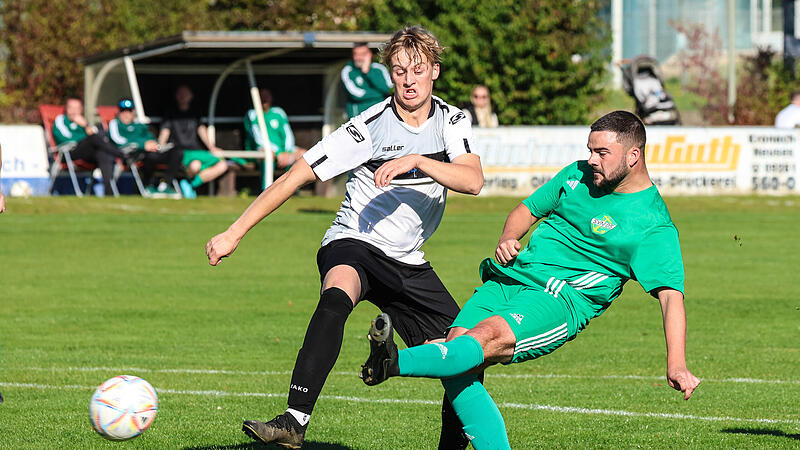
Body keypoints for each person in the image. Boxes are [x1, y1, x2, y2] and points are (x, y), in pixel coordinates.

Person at [206, 26, 484, 449]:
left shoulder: (453, 120)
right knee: (336, 296)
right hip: (354, 240)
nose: (408, 80)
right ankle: (293, 421)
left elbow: (473, 180)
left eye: (418, 70)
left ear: (435, 72)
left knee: (465, 352)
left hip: (408, 260)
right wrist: (234, 231)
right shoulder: (368, 126)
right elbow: (296, 175)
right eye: (398, 71)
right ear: (389, 75)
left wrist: (416, 160)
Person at [360, 110, 701, 449]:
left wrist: (677, 363)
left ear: (633, 155)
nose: (591, 160)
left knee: (482, 339)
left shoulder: (652, 224)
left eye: (601, 153)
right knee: (457, 357)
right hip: (508, 279)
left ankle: (392, 361)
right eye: (589, 150)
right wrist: (509, 237)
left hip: (558, 298)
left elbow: (671, 296)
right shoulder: (577, 174)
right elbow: (526, 210)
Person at [159, 85, 228, 198]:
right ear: (176, 96)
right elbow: (165, 131)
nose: (182, 97)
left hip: (196, 151)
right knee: (195, 165)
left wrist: (211, 147)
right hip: (180, 152)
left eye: (185, 94)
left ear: (191, 96)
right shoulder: (170, 112)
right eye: (180, 94)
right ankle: (188, 184)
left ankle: (191, 184)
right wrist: (160, 146)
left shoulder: (195, 111)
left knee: (223, 164)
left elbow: (201, 129)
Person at [52, 97, 128, 195]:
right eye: (71, 108)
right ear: (66, 109)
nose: (74, 111)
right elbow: (66, 139)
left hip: (86, 153)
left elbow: (98, 136)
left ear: (81, 110)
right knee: (93, 139)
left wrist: (86, 126)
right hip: (69, 153)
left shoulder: (83, 122)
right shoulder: (61, 120)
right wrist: (85, 128)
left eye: (77, 108)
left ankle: (108, 192)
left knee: (102, 153)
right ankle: (122, 154)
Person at [108, 98, 182, 196]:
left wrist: (155, 144)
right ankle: (148, 185)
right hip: (134, 155)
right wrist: (143, 145)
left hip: (152, 152)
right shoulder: (115, 124)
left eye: (129, 111)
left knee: (177, 152)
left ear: (133, 113)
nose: (126, 114)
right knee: (151, 155)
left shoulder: (140, 126)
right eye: (123, 111)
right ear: (119, 112)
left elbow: (151, 139)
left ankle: (165, 185)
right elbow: (118, 141)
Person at [243, 88, 306, 170]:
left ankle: (295, 181)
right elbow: (258, 139)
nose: (264, 100)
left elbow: (287, 134)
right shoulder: (251, 114)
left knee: (304, 154)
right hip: (261, 149)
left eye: (266, 97)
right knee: (267, 154)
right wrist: (278, 152)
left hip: (282, 152)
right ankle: (267, 183)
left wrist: (287, 151)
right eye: (262, 97)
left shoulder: (279, 112)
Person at [341, 42, 393, 118]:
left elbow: (388, 89)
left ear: (369, 54)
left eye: (363, 54)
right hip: (359, 120)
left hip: (380, 117)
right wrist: (381, 94)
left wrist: (367, 72)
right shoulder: (348, 71)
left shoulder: (379, 69)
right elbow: (356, 95)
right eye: (356, 54)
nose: (359, 57)